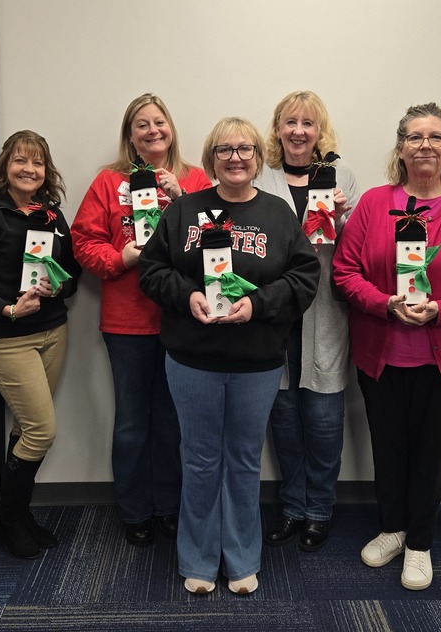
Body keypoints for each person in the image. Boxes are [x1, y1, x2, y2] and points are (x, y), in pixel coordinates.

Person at [139, 117, 320, 596]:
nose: (235, 157)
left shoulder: (279, 213)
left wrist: (256, 305)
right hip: (192, 358)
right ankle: (197, 558)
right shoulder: (183, 211)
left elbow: (304, 278)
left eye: (244, 149)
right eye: (224, 149)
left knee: (242, 460)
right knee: (199, 459)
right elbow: (152, 270)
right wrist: (187, 297)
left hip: (256, 361)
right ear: (211, 158)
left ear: (258, 157)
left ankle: (241, 558)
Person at [332, 102, 441, 591]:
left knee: (431, 456)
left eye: (434, 137)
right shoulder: (372, 203)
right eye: (414, 137)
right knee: (388, 448)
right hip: (382, 356)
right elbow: (345, 272)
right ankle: (393, 527)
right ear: (401, 147)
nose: (423, 145)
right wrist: (386, 302)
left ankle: (419, 544)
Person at [71, 93, 212, 546]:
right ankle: (134, 510)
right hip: (127, 323)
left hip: (182, 318)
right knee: (132, 421)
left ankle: (169, 507)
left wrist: (183, 197)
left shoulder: (195, 177)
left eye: (159, 122)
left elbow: (219, 237)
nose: (152, 131)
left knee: (173, 422)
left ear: (171, 127)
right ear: (129, 136)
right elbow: (83, 241)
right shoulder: (108, 182)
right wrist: (121, 258)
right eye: (142, 125)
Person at [0, 130, 81, 560]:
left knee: (27, 428)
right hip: (7, 339)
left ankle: (19, 514)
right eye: (21, 160)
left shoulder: (52, 216)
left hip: (53, 331)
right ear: (5, 166)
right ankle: (8, 519)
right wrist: (7, 309)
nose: (30, 169)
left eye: (38, 162)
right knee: (43, 430)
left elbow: (71, 275)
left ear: (47, 171)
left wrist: (57, 287)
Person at [253, 90, 359, 552]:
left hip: (324, 315)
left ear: (320, 131)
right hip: (273, 316)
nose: (299, 131)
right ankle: (293, 507)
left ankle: (320, 510)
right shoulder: (261, 175)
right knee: (283, 419)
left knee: (322, 421)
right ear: (277, 128)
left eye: (308, 123)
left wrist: (342, 216)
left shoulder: (342, 178)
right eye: (290, 122)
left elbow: (360, 248)